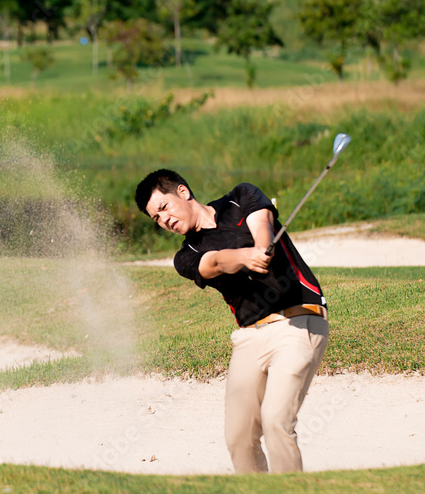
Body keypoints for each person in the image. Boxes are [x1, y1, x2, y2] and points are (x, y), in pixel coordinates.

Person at [134, 169, 329, 474]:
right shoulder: (185, 256)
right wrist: (244, 257)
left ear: (183, 192)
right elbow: (213, 263)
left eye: (164, 208)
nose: (165, 220)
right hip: (250, 337)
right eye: (156, 219)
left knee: (276, 420)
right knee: (239, 437)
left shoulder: (240, 198)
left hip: (298, 319)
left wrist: (262, 247)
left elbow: (262, 222)